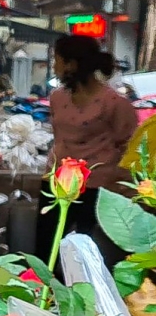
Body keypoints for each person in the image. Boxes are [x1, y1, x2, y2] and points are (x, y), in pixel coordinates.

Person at [48, 34, 139, 260]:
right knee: (47, 250)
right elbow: (59, 139)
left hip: (99, 190)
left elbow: (129, 147)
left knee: (90, 256)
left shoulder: (116, 105)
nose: (54, 66)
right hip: (59, 183)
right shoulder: (57, 98)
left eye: (57, 60)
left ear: (72, 64)